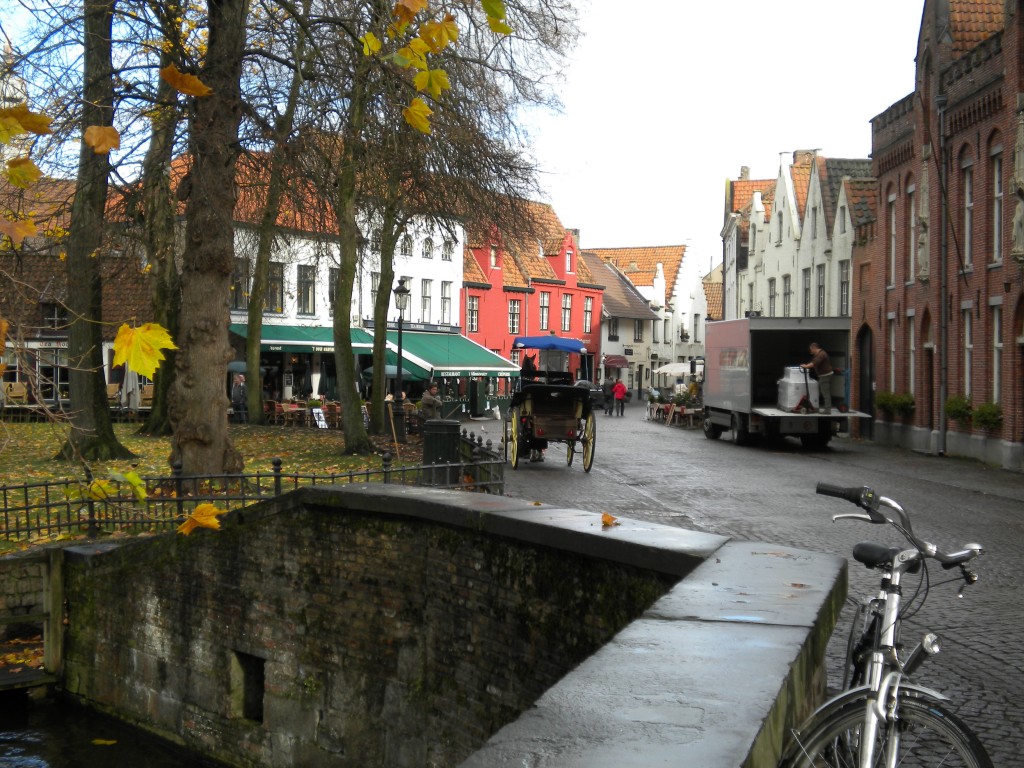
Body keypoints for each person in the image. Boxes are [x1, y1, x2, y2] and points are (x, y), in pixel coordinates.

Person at [801, 342, 833, 413]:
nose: (810, 351)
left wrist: (806, 366)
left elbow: (813, 363)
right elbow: (813, 362)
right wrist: (807, 365)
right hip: (824, 375)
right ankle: (826, 408)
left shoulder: (821, 354)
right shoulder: (819, 354)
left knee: (825, 393)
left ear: (814, 348)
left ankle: (827, 410)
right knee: (823, 391)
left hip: (825, 375)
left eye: (811, 349)